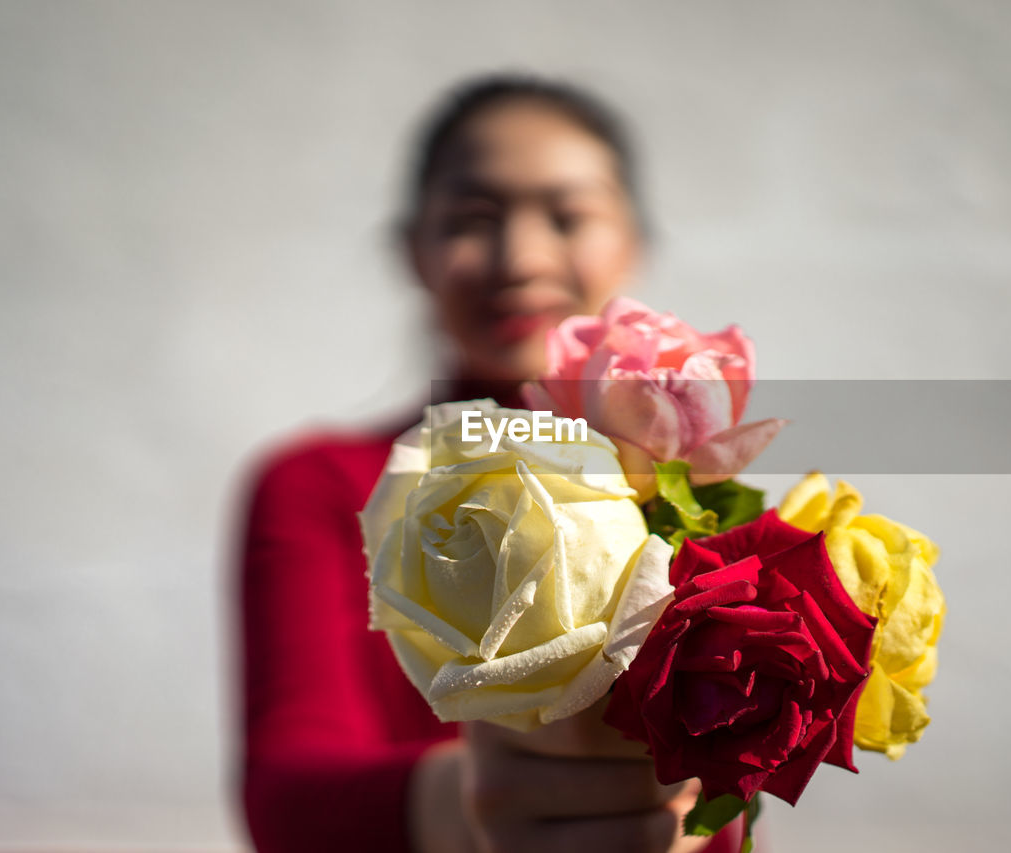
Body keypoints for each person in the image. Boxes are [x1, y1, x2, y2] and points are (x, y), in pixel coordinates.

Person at [236, 74, 744, 853]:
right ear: (415, 251)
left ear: (631, 245)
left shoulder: (690, 496)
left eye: (569, 215)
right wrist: (474, 802)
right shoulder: (320, 485)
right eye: (474, 218)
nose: (522, 256)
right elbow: (288, 797)